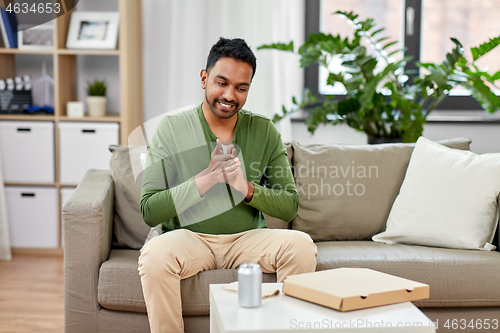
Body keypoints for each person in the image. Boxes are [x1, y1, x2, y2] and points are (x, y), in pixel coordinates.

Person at [138, 37, 317, 333]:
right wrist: (204, 180)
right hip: (189, 238)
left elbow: (289, 206)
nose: (229, 94)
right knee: (155, 254)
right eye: (221, 82)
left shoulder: (264, 130)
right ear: (204, 78)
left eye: (241, 87)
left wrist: (245, 187)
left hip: (246, 239)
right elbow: (149, 210)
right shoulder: (171, 129)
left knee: (300, 245)